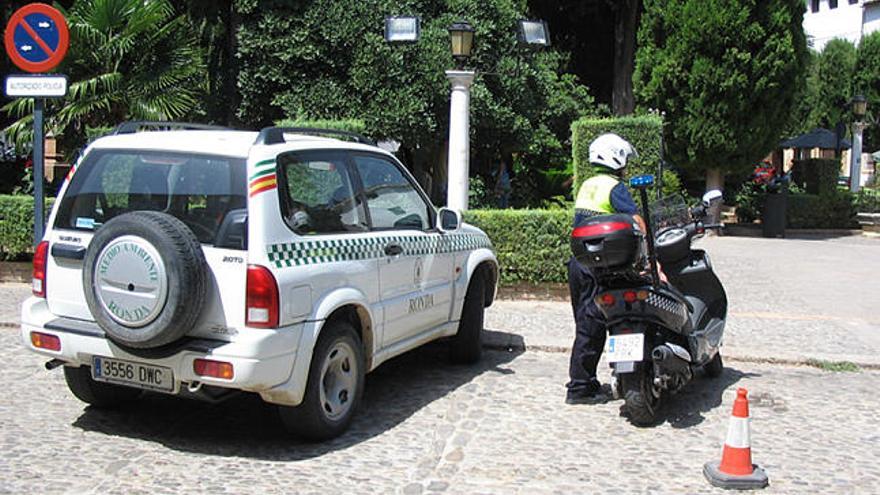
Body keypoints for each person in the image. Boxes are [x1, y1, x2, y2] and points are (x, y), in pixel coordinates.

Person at [565, 133, 647, 405]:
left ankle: (586, 381)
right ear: (617, 158)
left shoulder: (587, 183)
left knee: (585, 325)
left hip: (579, 263)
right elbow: (635, 220)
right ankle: (579, 388)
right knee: (596, 323)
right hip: (601, 267)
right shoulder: (614, 186)